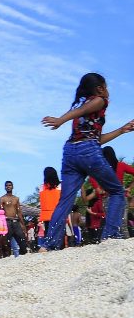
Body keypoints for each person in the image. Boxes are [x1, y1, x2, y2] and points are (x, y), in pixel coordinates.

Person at [40, 72, 134, 250]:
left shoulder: (86, 105)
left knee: (65, 201)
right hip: (87, 152)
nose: (107, 91)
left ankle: (49, 244)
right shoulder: (99, 101)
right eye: (105, 87)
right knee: (117, 191)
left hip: (70, 152)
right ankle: (111, 235)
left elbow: (96, 139)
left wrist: (121, 130)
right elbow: (89, 136)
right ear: (99, 89)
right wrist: (60, 120)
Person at [102, 146, 134, 239]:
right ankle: (126, 245)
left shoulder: (103, 169)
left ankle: (110, 242)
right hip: (121, 197)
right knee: (123, 223)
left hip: (108, 198)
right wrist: (129, 188)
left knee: (110, 223)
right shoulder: (121, 165)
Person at [0, 180, 27, 255]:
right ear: (5, 187)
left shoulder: (16, 198)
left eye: (9, 185)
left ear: (12, 187)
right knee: (6, 243)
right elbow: (0, 212)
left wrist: (23, 224)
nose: (8, 187)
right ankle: (6, 258)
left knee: (22, 240)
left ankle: (23, 256)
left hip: (16, 222)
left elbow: (19, 211)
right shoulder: (2, 199)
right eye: (7, 185)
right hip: (7, 222)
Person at [39, 167, 61, 235]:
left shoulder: (41, 187)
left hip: (47, 216)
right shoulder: (60, 186)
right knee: (59, 236)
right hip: (59, 215)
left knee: (49, 236)